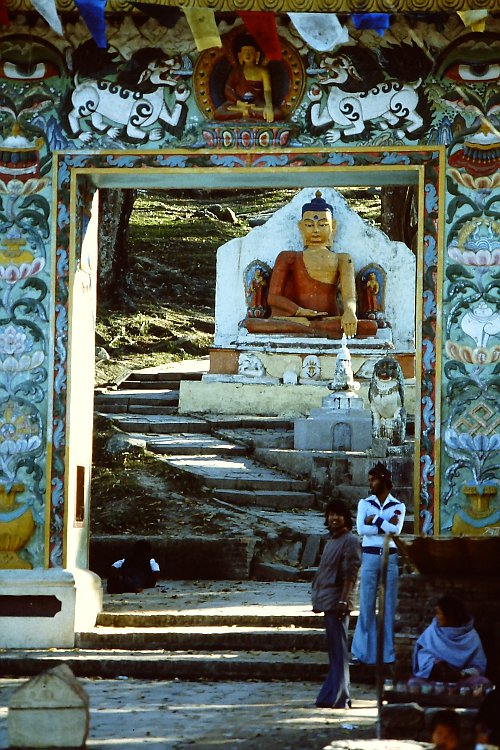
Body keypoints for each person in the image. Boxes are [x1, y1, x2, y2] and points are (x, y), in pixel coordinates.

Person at [244, 191, 378, 339]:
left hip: (329, 320)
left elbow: (349, 299)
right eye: (309, 225)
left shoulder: (343, 259)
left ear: (333, 227)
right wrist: (299, 311)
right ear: (301, 227)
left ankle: (312, 329)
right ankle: (312, 328)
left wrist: (350, 313)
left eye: (322, 225)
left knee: (369, 327)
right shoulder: (288, 258)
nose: (315, 230)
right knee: (254, 324)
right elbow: (273, 298)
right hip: (297, 319)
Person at [350, 462, 406, 665]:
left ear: (383, 480)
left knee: (389, 606)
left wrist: (375, 520)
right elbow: (361, 530)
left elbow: (396, 531)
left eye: (373, 479)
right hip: (370, 555)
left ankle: (388, 654)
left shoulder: (398, 506)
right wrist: (384, 523)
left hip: (390, 557)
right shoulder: (365, 503)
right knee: (366, 604)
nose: (370, 483)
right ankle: (361, 652)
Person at [311, 498, 361, 709]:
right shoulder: (332, 540)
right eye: (330, 514)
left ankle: (341, 697)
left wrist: (343, 599)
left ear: (346, 518)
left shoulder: (350, 541)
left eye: (338, 514)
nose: (333, 518)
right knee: (333, 652)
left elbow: (350, 573)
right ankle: (332, 694)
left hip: (338, 602)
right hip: (328, 601)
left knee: (339, 653)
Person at [410, 595, 492, 690]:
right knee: (414, 683)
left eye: (439, 613)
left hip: (461, 682)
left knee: (483, 683)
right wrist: (435, 666)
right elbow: (423, 655)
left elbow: (478, 667)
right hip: (435, 680)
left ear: (450, 616)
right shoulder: (433, 630)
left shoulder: (470, 635)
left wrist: (461, 673)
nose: (436, 617)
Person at [215, 35, 281, 123]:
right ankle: (247, 112)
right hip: (237, 104)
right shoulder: (236, 71)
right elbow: (228, 89)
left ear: (257, 55)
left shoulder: (263, 71)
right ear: (240, 55)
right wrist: (238, 102)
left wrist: (268, 105)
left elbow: (267, 91)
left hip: (256, 104)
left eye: (250, 51)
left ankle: (245, 112)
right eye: (245, 51)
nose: (247, 54)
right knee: (219, 113)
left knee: (277, 113)